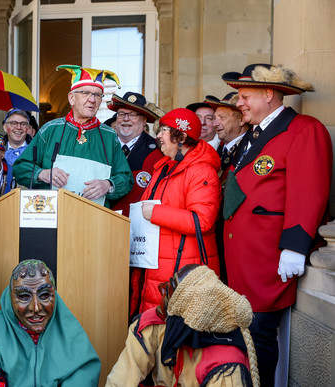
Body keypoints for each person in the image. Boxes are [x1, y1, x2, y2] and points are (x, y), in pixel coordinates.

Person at [221, 63, 332, 386]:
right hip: (244, 258)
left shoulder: (304, 129)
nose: (238, 102)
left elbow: (309, 191)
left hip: (269, 258)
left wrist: (295, 245)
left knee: (259, 335)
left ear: (268, 94)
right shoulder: (253, 134)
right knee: (244, 335)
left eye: (244, 96)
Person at [106, 264, 259, 387]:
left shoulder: (226, 368)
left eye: (169, 290)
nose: (163, 295)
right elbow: (119, 380)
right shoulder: (152, 324)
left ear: (191, 316)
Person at [13, 65, 133, 207]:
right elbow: (20, 168)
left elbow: (126, 178)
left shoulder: (109, 136)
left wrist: (108, 185)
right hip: (54, 217)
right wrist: (42, 173)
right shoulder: (50, 130)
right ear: (71, 98)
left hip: (95, 220)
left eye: (97, 95)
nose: (92, 99)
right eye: (86, 93)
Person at [138, 108, 220, 313]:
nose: (157, 135)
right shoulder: (164, 167)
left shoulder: (202, 170)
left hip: (183, 270)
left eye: (163, 130)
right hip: (158, 264)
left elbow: (202, 221)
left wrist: (156, 213)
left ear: (181, 136)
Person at [0, 259, 101, 386]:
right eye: (24, 297)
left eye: (44, 295)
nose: (35, 307)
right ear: (10, 298)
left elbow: (83, 376)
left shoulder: (72, 334)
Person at [205, 92, 250, 284]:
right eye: (215, 118)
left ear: (241, 120)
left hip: (239, 240)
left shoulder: (249, 149)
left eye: (221, 118)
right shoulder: (219, 150)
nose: (215, 124)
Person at [108, 92, 164, 216]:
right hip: (101, 222)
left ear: (144, 121)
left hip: (138, 225)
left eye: (132, 114)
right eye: (121, 114)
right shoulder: (104, 145)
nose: (126, 119)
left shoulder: (157, 153)